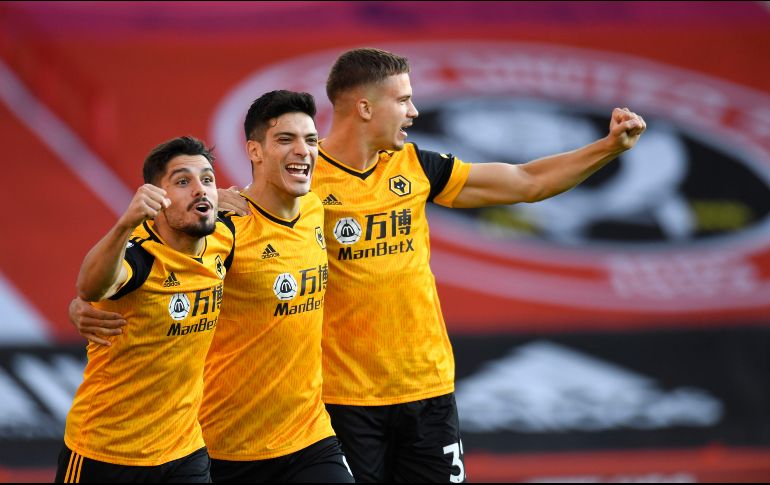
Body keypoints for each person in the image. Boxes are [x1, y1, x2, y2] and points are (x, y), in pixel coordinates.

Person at [301, 47, 645, 483]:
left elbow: (528, 182)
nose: (414, 111)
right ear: (365, 107)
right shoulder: (303, 181)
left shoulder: (418, 168)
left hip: (427, 391)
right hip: (341, 399)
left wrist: (609, 147)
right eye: (403, 100)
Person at [70, 91, 354, 483]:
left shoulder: (314, 210)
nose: (302, 150)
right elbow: (150, 256)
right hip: (227, 441)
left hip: (309, 434)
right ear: (255, 151)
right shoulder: (223, 230)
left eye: (310, 139)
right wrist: (84, 302)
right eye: (286, 139)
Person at [56, 136, 234, 483]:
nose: (200, 189)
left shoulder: (224, 239)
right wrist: (124, 223)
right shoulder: (140, 254)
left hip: (183, 450)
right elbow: (91, 286)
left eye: (207, 179)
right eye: (183, 181)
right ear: (157, 198)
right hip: (106, 451)